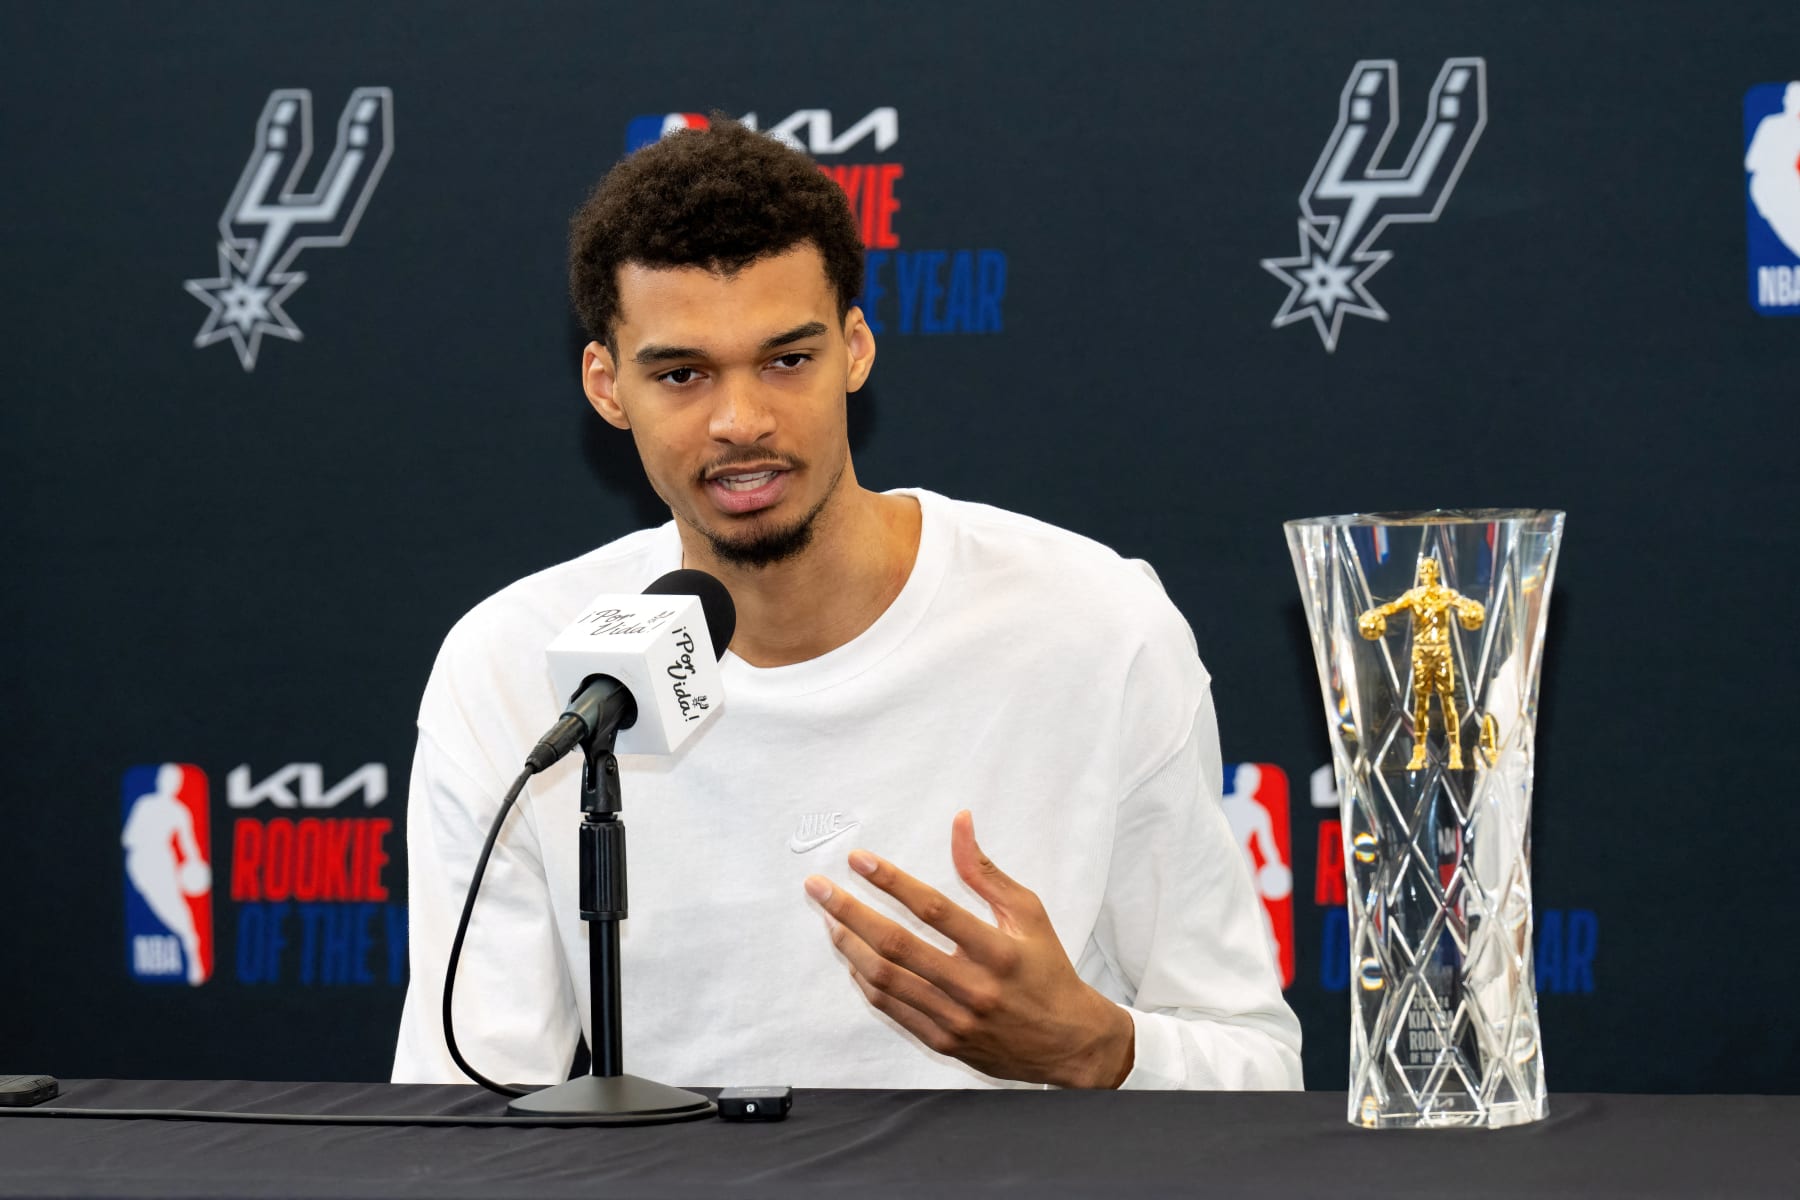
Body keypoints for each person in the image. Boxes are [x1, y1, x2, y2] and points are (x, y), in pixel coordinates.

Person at [392, 120, 1302, 1091]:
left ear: (855, 350)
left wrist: (1094, 1048)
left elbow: (1256, 1069)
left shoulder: (1096, 625)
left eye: (787, 360)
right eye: (682, 374)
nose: (741, 422)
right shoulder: (515, 665)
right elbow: (466, 1117)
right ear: (607, 388)